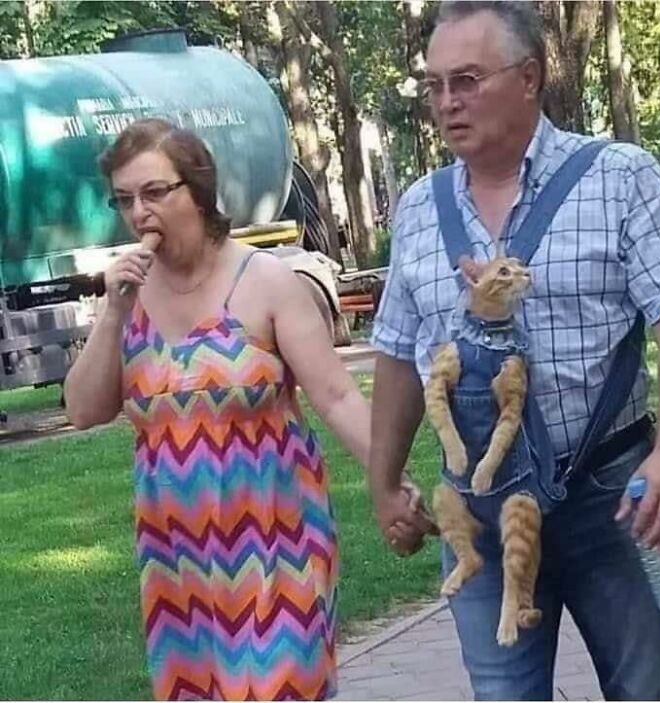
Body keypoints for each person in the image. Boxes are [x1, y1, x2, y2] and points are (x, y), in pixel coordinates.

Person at [368, 2, 660, 700]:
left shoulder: (620, 176)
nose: (447, 103)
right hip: (483, 511)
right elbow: (399, 352)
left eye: (466, 80)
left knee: (647, 690)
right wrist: (385, 480)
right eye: (434, 86)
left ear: (529, 78)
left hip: (613, 497)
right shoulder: (419, 209)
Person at [63, 118, 429, 701]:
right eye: (125, 199)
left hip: (278, 550)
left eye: (156, 192)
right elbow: (83, 410)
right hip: (176, 564)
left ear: (198, 189)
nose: (140, 213)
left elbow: (335, 396)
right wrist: (111, 314)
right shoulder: (129, 298)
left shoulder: (266, 282)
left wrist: (389, 481)